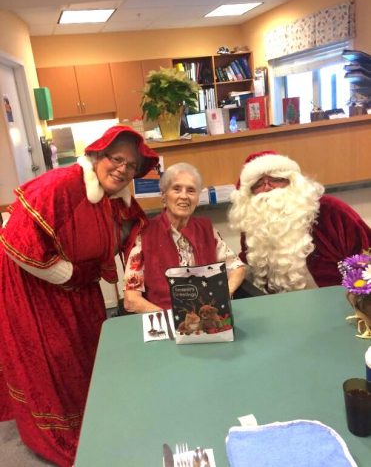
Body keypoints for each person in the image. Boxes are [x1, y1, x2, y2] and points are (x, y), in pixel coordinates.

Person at [0, 125, 159, 467]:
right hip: (35, 288)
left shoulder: (113, 195)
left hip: (78, 286)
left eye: (131, 166)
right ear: (98, 155)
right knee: (54, 359)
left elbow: (131, 227)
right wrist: (68, 274)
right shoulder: (61, 184)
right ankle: (63, 433)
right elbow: (14, 241)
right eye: (117, 159)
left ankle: (93, 419)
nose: (123, 170)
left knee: (88, 349)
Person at [228, 150, 371, 294]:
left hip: (340, 302)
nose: (267, 187)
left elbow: (365, 252)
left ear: (293, 181)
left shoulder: (330, 209)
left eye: (276, 179)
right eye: (258, 184)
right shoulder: (254, 221)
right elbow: (246, 260)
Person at [123, 163, 246, 313]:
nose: (184, 196)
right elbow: (131, 300)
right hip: (163, 318)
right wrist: (172, 320)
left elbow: (237, 268)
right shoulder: (145, 234)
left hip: (205, 317)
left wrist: (223, 297)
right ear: (163, 194)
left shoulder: (207, 230)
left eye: (191, 190)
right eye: (176, 189)